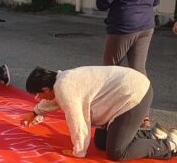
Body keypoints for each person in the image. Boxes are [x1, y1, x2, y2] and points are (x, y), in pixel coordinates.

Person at [21, 66, 176, 161]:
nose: (38, 98)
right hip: (125, 92)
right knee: (101, 143)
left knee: (117, 152)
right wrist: (35, 112)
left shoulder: (64, 89)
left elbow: (78, 122)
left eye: (37, 95)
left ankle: (168, 145)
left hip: (134, 94)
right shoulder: (60, 80)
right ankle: (153, 135)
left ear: (45, 89)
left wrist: (79, 151)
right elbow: (52, 100)